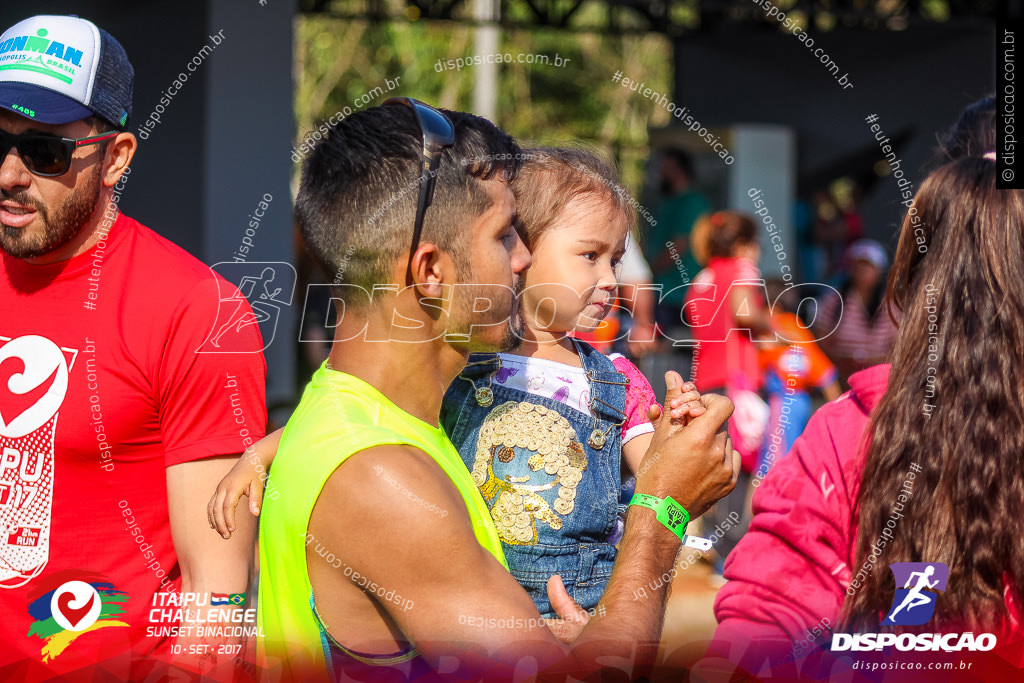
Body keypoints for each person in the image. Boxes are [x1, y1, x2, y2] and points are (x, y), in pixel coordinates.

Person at [217, 100, 738, 681]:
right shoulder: (379, 478)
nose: (522, 258)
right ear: (431, 271)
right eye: (505, 235)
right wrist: (661, 506)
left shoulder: (363, 412)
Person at [702, 99, 1024, 676]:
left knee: (747, 478)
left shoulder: (847, 431)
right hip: (766, 396)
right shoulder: (809, 314)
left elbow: (765, 625)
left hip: (748, 396)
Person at [0, 14, 266, 682]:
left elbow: (218, 593)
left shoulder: (198, 313)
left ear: (115, 157)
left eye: (43, 152)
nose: (8, 173)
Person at [441, 147, 707, 616]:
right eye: (590, 256)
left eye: (616, 260)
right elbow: (374, 416)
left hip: (581, 615)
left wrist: (678, 436)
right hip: (468, 609)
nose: (609, 278)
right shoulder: (455, 359)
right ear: (519, 249)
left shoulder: (619, 382)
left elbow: (660, 481)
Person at [683, 210, 773, 579]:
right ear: (741, 245)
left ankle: (707, 543)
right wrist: (775, 323)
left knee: (712, 462)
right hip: (737, 383)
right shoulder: (741, 268)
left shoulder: (703, 276)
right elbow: (744, 312)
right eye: (753, 245)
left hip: (705, 380)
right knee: (738, 467)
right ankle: (730, 554)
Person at [756, 279, 840, 476]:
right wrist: (837, 416)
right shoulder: (798, 328)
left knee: (774, 468)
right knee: (791, 461)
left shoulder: (767, 329)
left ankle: (771, 506)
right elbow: (826, 376)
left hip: (781, 402)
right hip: (801, 402)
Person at [813, 238, 899, 389]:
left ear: (879, 270)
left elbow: (898, 342)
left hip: (880, 379)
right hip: (842, 379)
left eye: (869, 266)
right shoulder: (834, 301)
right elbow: (822, 340)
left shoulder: (890, 303)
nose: (863, 271)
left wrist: (875, 362)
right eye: (860, 265)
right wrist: (842, 362)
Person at [646, 148, 710, 340]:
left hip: (678, 294)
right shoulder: (668, 201)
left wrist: (649, 272)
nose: (660, 173)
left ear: (679, 170)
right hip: (662, 292)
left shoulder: (692, 202)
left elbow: (679, 245)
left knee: (671, 351)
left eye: (665, 167)